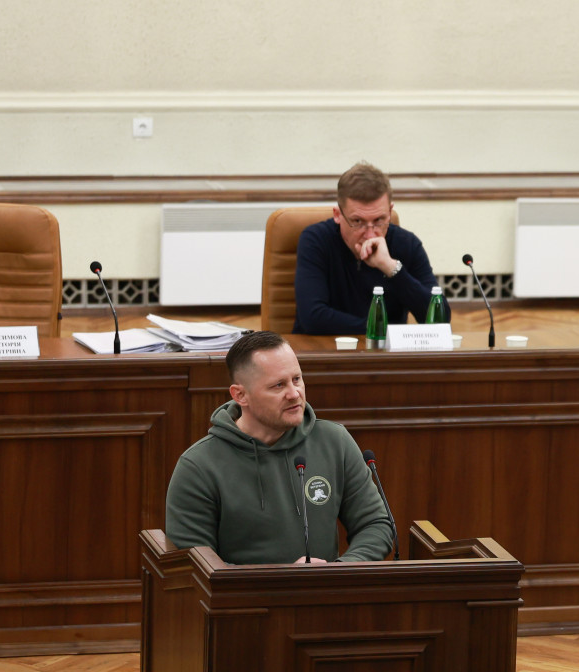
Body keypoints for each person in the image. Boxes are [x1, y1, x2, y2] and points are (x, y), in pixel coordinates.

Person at [165, 331, 393, 564]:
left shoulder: (335, 441)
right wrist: (282, 580)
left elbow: (376, 524)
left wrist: (338, 571)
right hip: (243, 590)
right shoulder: (198, 466)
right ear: (240, 395)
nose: (294, 394)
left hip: (326, 586)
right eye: (278, 385)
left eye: (297, 379)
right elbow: (194, 565)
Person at [293, 161, 449, 334]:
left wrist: (391, 268)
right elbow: (313, 318)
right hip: (324, 348)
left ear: (389, 212)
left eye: (379, 220)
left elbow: (440, 319)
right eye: (357, 221)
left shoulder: (407, 243)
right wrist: (383, 330)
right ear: (337, 215)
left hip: (385, 349)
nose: (370, 234)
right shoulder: (316, 240)